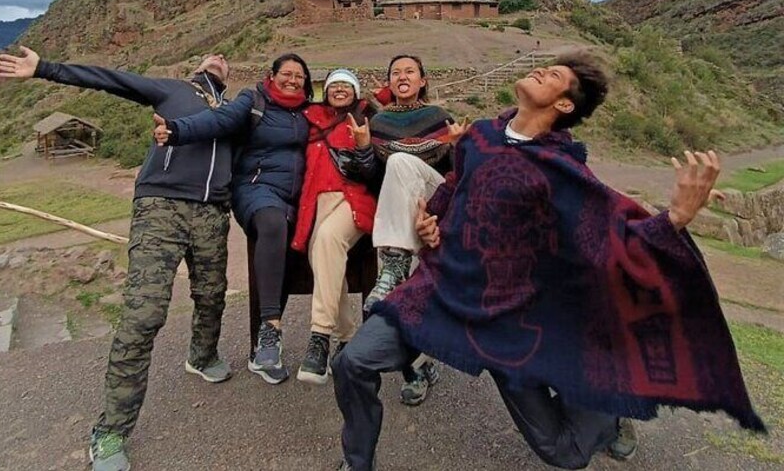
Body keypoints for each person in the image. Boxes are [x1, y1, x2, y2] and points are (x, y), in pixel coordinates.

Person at [332, 51, 765, 471]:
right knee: (353, 364)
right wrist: (433, 220)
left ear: (564, 104)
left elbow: (612, 233)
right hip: (439, 293)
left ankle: (606, 405)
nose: (541, 70)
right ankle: (358, 462)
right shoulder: (479, 136)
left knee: (566, 453)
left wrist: (676, 218)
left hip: (509, 319)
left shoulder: (559, 167)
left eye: (555, 75)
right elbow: (455, 183)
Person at [0, 46, 235, 471]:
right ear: (195, 66)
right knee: (144, 315)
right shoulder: (172, 89)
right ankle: (111, 431)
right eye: (209, 57)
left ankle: (201, 356)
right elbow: (110, 78)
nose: (217, 58)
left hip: (214, 212)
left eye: (223, 59)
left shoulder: (233, 110)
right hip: (161, 206)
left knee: (213, 295)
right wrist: (44, 69)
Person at [153, 53, 312, 385]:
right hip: (256, 189)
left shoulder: (307, 113)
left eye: (299, 76)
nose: (292, 80)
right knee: (271, 224)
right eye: (286, 74)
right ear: (273, 75)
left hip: (296, 197)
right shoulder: (253, 101)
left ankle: (262, 351)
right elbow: (218, 120)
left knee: (287, 250)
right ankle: (270, 330)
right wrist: (177, 130)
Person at [345, 54, 467, 406]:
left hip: (434, 203)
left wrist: (459, 148)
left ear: (422, 80)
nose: (402, 76)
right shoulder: (379, 123)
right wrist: (365, 147)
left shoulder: (440, 118)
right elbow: (372, 178)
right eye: (395, 72)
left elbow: (457, 176)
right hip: (401, 212)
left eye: (409, 71)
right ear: (389, 82)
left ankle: (394, 265)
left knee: (399, 161)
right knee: (401, 300)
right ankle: (416, 367)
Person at [290, 69, 380, 384]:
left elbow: (373, 167)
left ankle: (319, 338)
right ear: (325, 91)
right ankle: (348, 337)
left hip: (353, 198)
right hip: (316, 201)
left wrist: (364, 145)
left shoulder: (367, 117)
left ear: (356, 91)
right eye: (334, 85)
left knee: (328, 240)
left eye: (346, 85)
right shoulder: (309, 118)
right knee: (323, 256)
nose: (340, 89)